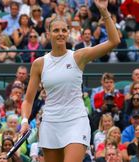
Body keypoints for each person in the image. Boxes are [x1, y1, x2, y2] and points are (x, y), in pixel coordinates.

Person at [20, 0, 120, 161]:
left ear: (68, 33)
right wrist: (25, 121)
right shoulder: (39, 64)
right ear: (48, 33)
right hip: (50, 123)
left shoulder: (78, 56)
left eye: (64, 30)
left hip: (76, 121)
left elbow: (114, 41)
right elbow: (28, 100)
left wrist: (103, 11)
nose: (60, 33)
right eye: (56, 30)